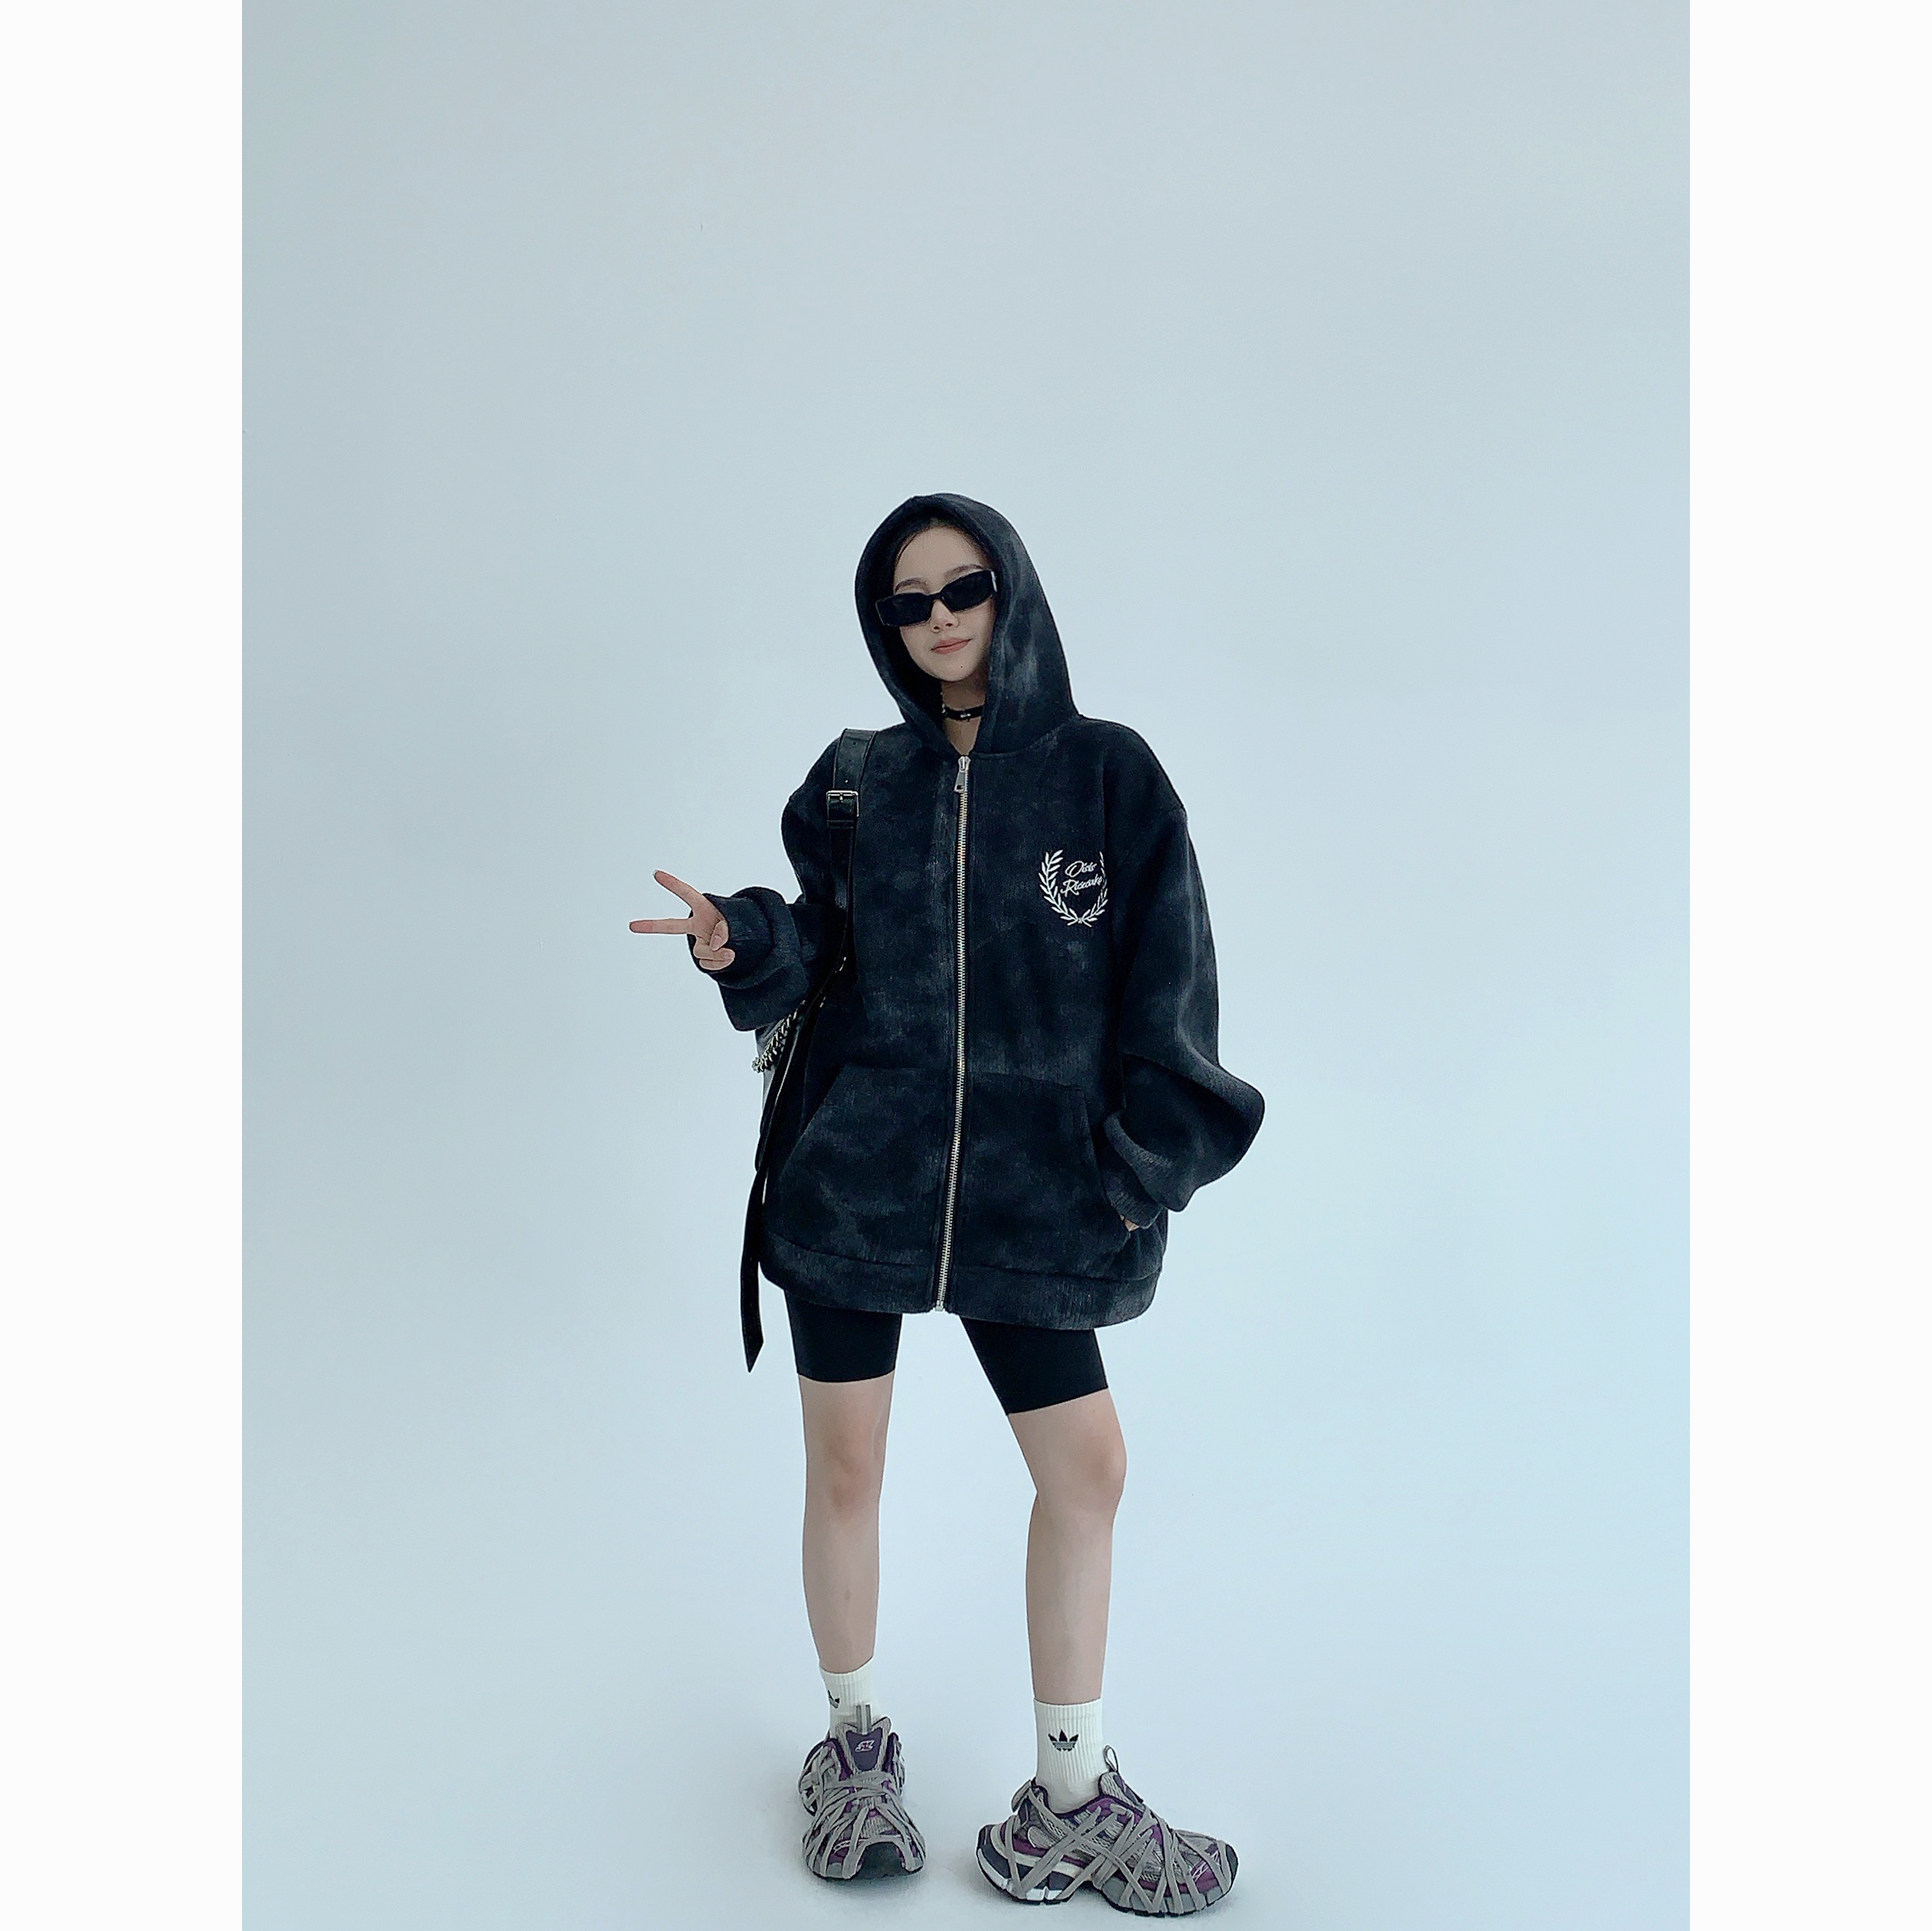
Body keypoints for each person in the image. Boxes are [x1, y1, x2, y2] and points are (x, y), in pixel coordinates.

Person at [631, 493, 1263, 1912]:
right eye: (907, 603)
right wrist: (742, 940)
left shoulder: (1109, 777)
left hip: (1036, 1199)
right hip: (861, 1183)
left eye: (960, 587)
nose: (938, 621)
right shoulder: (858, 782)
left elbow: (1172, 985)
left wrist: (1135, 1169)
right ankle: (854, 1749)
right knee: (847, 1467)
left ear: (1009, 587)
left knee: (1086, 1471)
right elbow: (811, 948)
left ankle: (1070, 1803)